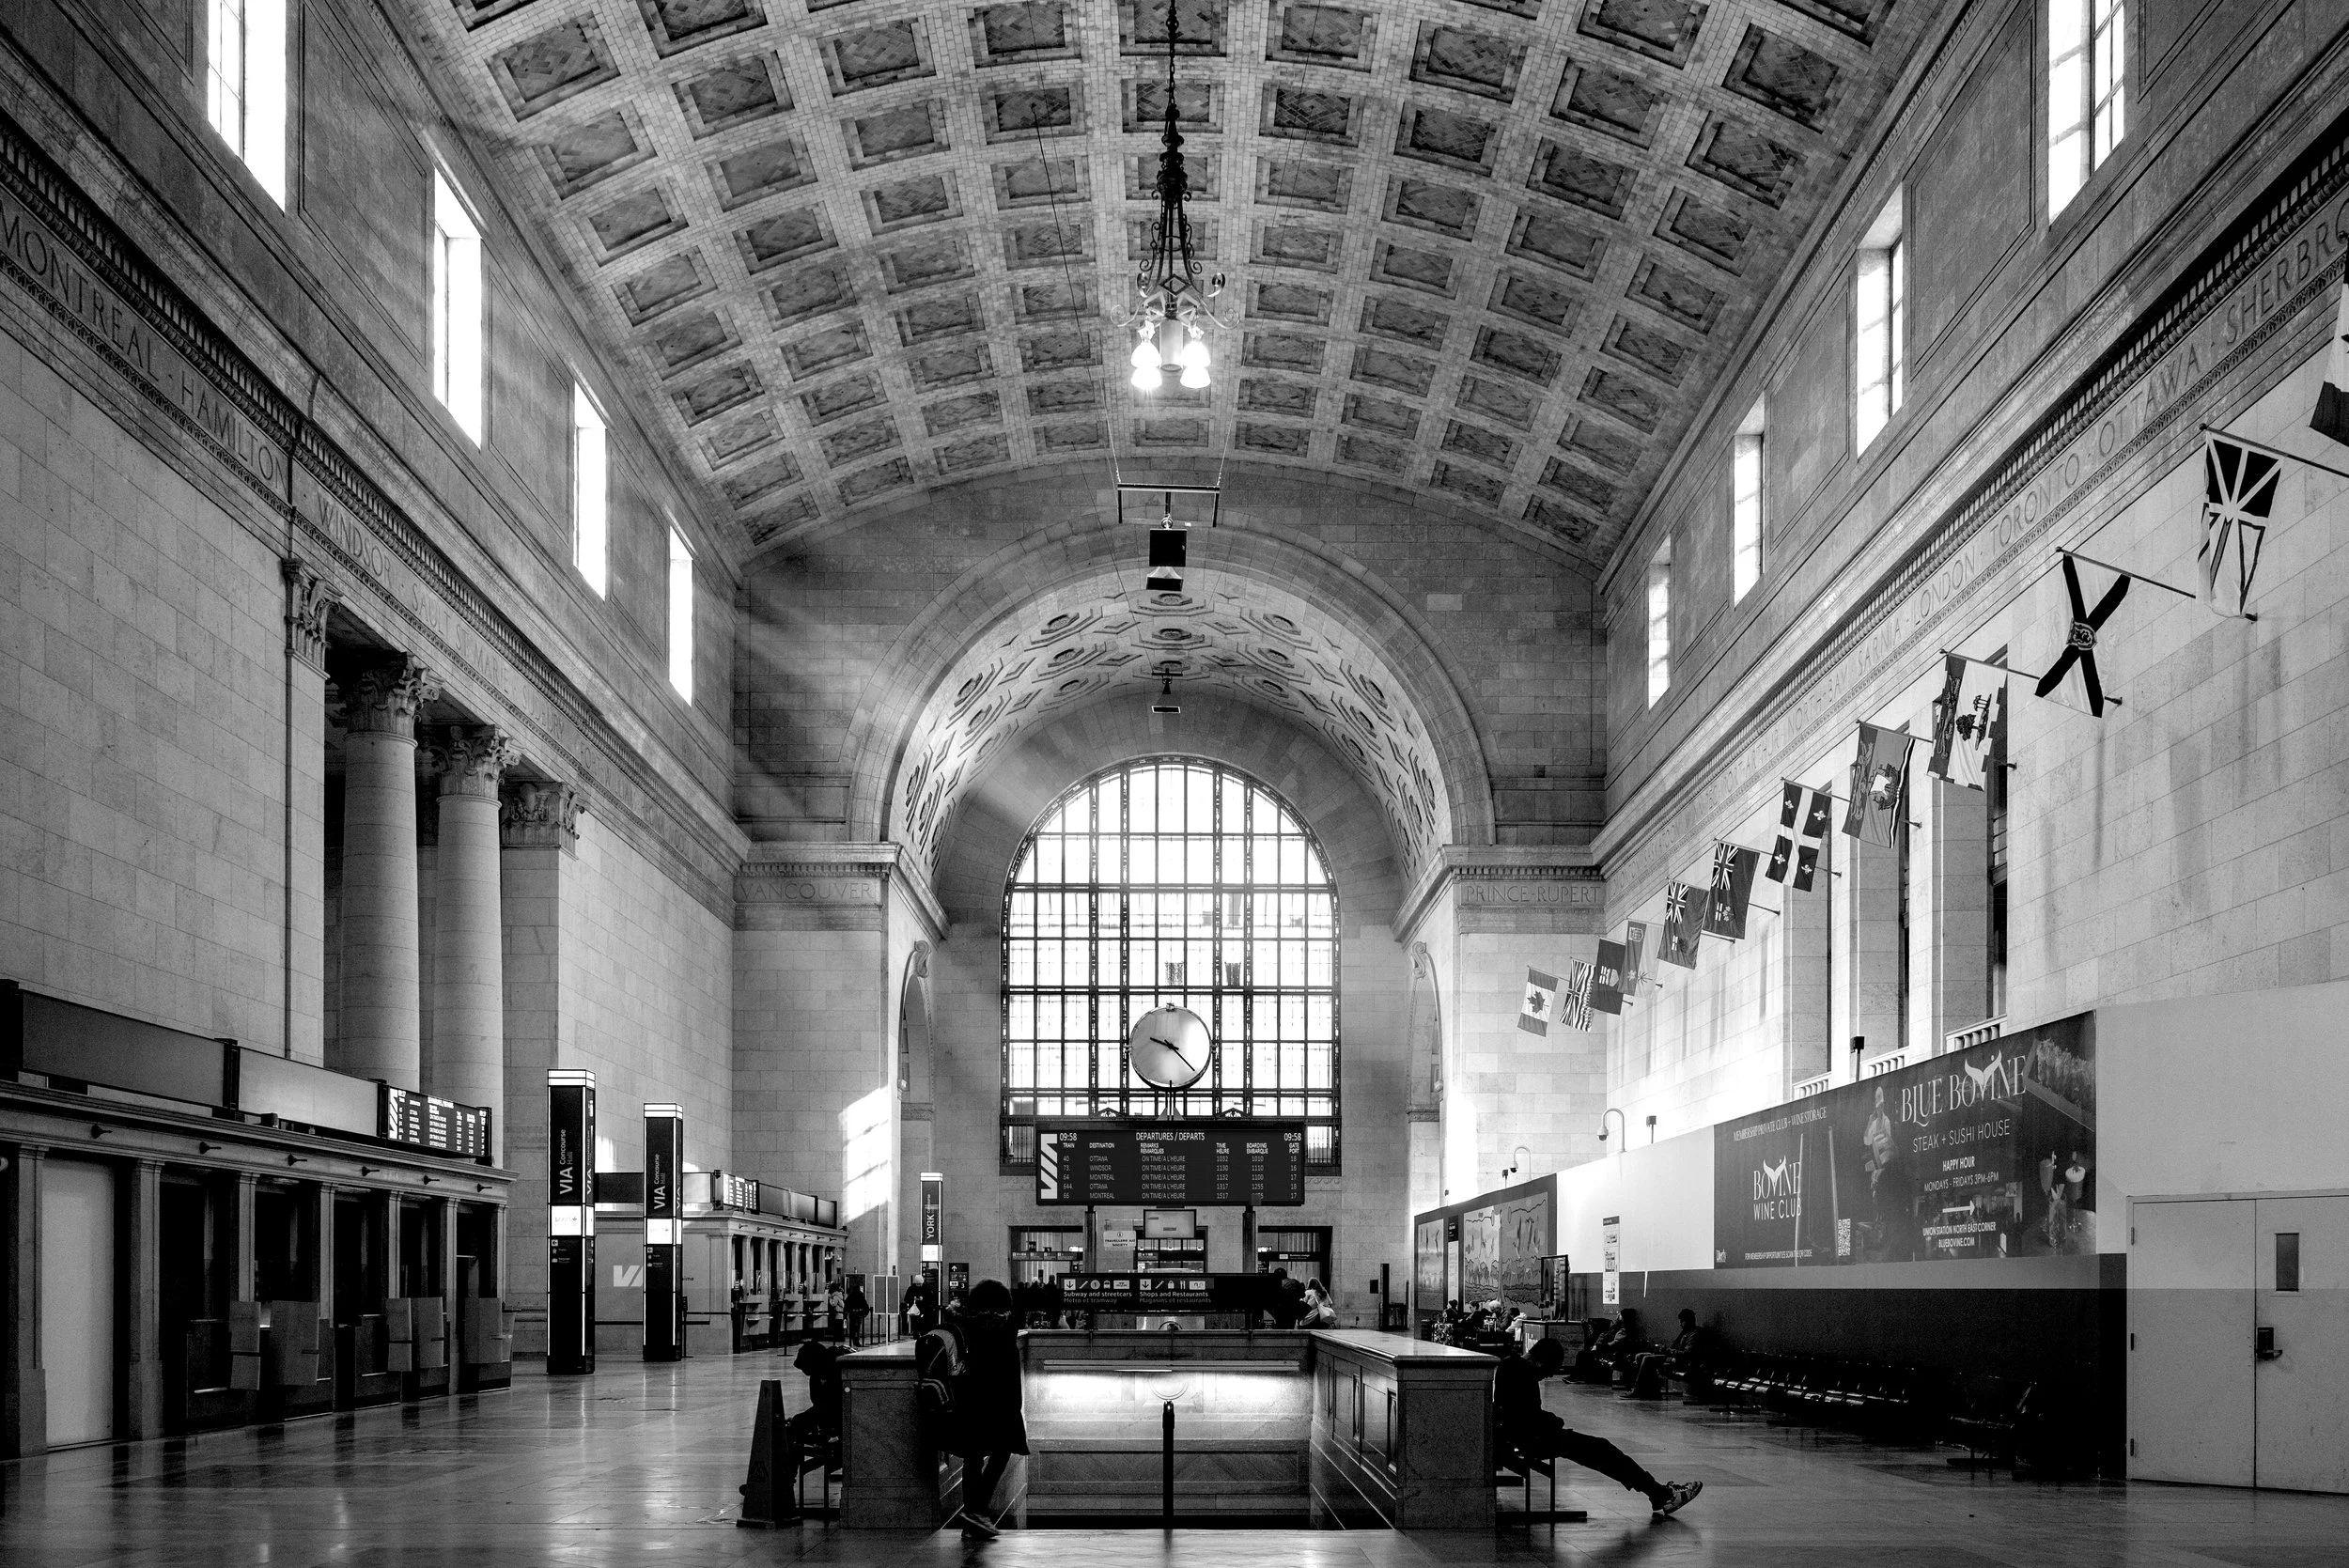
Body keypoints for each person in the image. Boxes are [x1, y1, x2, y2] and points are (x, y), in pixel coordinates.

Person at [1497, 1339, 1703, 1518]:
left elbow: (1517, 1411)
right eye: (1549, 1371)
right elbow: (1528, 1417)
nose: (1548, 1377)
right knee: (1602, 1449)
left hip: (1516, 1436)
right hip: (1531, 1439)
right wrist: (1554, 1420)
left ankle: (1657, 1492)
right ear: (1541, 1361)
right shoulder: (1524, 1374)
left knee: (1600, 1449)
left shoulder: (1508, 1365)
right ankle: (1663, 1495)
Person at [948, 1279, 1029, 1540]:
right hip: (1001, 1399)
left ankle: (972, 1516)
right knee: (1002, 1452)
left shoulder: (966, 1324)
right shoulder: (1007, 1326)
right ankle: (976, 1511)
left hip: (972, 1397)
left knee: (972, 1457)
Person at [1626, 1309, 1705, 1399]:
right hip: (1673, 1357)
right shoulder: (1686, 1332)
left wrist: (1667, 1350)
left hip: (1680, 1361)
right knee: (1640, 1356)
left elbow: (1686, 1354)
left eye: (1682, 1322)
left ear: (1688, 1321)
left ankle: (1638, 1389)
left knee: (1647, 1359)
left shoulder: (1693, 1334)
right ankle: (1648, 1390)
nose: (1680, 1324)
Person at [846, 1280, 871, 1345]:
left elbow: (846, 1304)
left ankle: (852, 1339)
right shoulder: (860, 1296)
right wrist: (865, 1313)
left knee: (852, 1327)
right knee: (857, 1328)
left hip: (852, 1314)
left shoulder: (850, 1296)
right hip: (859, 1314)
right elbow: (865, 1305)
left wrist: (847, 1311)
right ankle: (856, 1340)